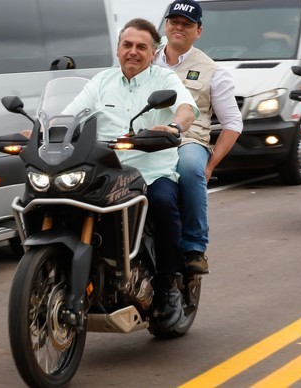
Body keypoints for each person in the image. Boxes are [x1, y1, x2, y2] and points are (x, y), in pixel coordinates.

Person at [40, 18, 199, 329]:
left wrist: (174, 126)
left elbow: (186, 109)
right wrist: (42, 129)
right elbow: (69, 113)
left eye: (142, 47)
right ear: (117, 49)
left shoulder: (164, 81)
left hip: (151, 170)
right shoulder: (101, 81)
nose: (133, 52)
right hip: (106, 170)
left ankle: (168, 286)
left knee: (164, 202)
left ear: (153, 53)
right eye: (127, 45)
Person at [154, 0, 243, 275]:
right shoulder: (145, 59)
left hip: (188, 140)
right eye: (174, 22)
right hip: (143, 137)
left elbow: (232, 123)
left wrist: (210, 165)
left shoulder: (212, 70)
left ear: (198, 31)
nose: (179, 27)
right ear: (165, 25)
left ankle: (194, 246)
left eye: (187, 24)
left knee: (191, 168)